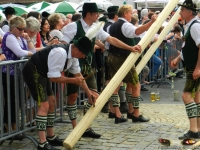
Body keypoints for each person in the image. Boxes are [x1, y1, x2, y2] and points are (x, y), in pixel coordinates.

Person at [62, 2, 141, 138]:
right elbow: (63, 46)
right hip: (72, 66)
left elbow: (111, 39)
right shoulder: (72, 27)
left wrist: (129, 48)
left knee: (94, 96)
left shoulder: (96, 27)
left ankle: (85, 127)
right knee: (72, 97)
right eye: (96, 13)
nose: (98, 15)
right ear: (89, 14)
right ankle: (75, 127)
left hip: (88, 66)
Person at [22, 35, 97, 150]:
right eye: (84, 53)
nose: (84, 56)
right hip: (33, 71)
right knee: (44, 105)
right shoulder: (60, 52)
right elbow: (54, 78)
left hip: (42, 72)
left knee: (52, 102)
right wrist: (73, 80)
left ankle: (50, 136)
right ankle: (42, 143)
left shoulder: (73, 56)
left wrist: (88, 93)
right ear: (76, 49)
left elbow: (79, 76)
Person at [107, 4, 156, 124]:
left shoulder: (112, 26)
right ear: (125, 14)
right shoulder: (125, 24)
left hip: (111, 57)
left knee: (116, 85)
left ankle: (119, 113)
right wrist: (150, 23)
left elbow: (108, 45)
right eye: (130, 13)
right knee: (135, 85)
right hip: (123, 58)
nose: (132, 15)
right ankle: (136, 114)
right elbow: (136, 31)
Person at [171, 0, 200, 139]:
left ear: (189, 12)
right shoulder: (189, 25)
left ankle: (193, 130)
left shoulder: (195, 26)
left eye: (182, 10)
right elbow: (187, 46)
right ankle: (198, 128)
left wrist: (198, 68)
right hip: (192, 66)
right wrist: (177, 59)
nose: (180, 12)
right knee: (197, 97)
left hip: (195, 67)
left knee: (186, 96)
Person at [2, 16, 35, 132]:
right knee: (12, 101)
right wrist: (30, 53)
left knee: (18, 101)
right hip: (9, 73)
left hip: (17, 73)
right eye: (20, 29)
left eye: (24, 29)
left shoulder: (19, 38)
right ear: (13, 28)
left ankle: (13, 127)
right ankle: (11, 128)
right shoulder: (10, 37)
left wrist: (29, 40)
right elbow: (20, 52)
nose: (22, 31)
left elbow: (33, 51)